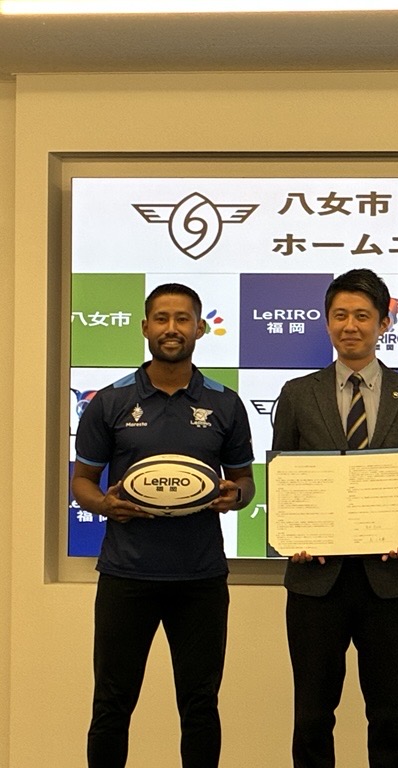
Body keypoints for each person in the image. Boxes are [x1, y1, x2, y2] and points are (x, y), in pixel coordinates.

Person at [72, 283, 256, 768]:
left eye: (182, 319)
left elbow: (244, 483)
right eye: (161, 318)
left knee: (200, 706)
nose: (171, 328)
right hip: (126, 575)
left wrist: (235, 496)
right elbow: (82, 482)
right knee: (111, 705)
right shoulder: (111, 401)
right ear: (145, 327)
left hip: (200, 578)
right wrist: (105, 505)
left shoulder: (225, 403)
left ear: (200, 328)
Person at [272, 269, 398, 768]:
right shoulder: (297, 393)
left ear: (384, 323)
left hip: (387, 580)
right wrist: (294, 532)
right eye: (340, 315)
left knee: (388, 716)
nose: (351, 325)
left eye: (363, 316)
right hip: (314, 580)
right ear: (326, 322)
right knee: (311, 716)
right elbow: (284, 475)